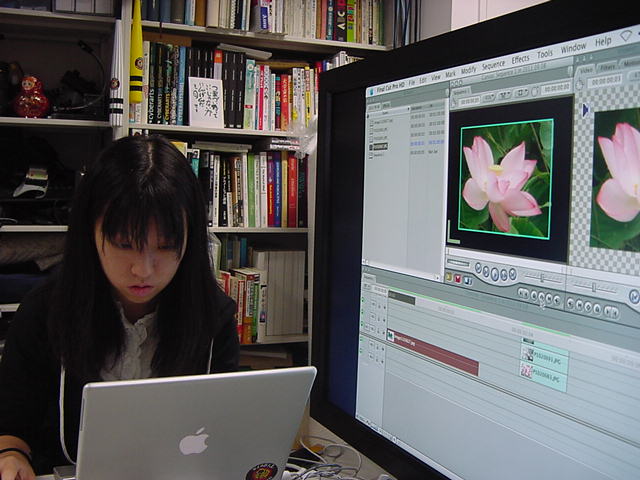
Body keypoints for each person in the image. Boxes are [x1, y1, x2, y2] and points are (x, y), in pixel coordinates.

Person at [0, 134, 240, 479]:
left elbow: (222, 427)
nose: (143, 269)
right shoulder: (44, 310)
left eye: (166, 246)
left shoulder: (213, 317)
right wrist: (11, 455)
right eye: (124, 244)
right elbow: (12, 424)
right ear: (90, 233)